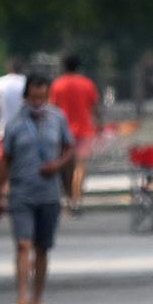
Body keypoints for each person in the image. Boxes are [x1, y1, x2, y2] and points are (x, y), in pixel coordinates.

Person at [0, 72, 73, 304]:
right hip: (21, 193)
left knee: (42, 247)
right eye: (34, 97)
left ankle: (37, 299)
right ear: (26, 96)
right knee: (22, 244)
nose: (38, 102)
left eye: (43, 97)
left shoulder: (58, 118)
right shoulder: (15, 123)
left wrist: (58, 166)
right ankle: (22, 298)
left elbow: (69, 148)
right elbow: (4, 161)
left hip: (49, 194)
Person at [50, 54, 100, 215]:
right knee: (80, 167)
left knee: (65, 168)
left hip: (62, 131)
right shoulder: (87, 84)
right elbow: (95, 107)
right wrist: (99, 125)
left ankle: (68, 199)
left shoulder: (57, 85)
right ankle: (76, 201)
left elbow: (52, 109)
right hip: (85, 131)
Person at [0, 59, 26, 160]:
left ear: (8, 68)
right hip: (24, 133)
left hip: (2, 132)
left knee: (2, 164)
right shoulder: (27, 82)